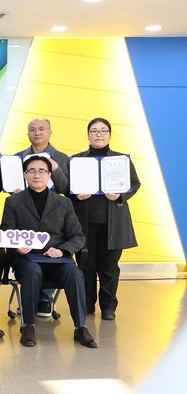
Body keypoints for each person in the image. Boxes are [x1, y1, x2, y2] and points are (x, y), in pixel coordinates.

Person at [0, 156, 97, 348]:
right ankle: (29, 326)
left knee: (74, 273)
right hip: (27, 259)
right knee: (32, 271)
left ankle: (81, 327)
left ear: (49, 175)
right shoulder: (13, 201)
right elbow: (5, 232)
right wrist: (17, 244)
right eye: (32, 171)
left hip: (57, 260)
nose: (37, 175)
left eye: (42, 171)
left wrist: (62, 250)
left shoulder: (64, 203)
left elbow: (78, 236)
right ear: (25, 175)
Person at [71, 118, 140, 321]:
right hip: (84, 223)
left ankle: (109, 307)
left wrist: (120, 195)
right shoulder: (77, 160)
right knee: (86, 266)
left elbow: (135, 183)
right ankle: (87, 304)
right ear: (88, 135)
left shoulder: (121, 160)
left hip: (113, 223)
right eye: (94, 131)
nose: (98, 134)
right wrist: (76, 195)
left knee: (109, 268)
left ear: (110, 134)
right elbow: (67, 187)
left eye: (103, 130)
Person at [15, 118, 71, 318]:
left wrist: (55, 170)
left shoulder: (62, 158)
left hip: (53, 215)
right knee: (30, 260)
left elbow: (67, 189)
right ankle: (29, 300)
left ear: (50, 132)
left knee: (49, 251)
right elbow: (10, 187)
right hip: (27, 211)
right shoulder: (18, 158)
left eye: (41, 129)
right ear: (27, 133)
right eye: (32, 129)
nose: (37, 133)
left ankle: (45, 299)